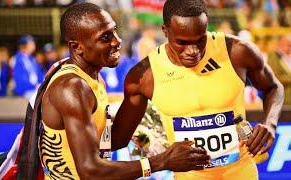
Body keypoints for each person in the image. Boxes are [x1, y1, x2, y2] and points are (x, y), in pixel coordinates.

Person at [112, 0, 284, 179]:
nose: (193, 51)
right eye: (182, 42)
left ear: (206, 26)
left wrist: (270, 124)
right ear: (165, 31)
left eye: (200, 40)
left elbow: (273, 87)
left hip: (241, 172)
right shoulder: (144, 76)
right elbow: (118, 140)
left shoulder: (237, 52)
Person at [38, 2, 210, 180]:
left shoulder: (92, 78)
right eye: (105, 37)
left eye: (114, 31)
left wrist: (149, 130)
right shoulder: (72, 87)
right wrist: (161, 162)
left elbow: (111, 142)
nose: (117, 41)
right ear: (77, 47)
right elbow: (90, 171)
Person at [12, 34, 44, 99]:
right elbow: (20, 82)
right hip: (25, 92)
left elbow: (40, 75)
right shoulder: (17, 59)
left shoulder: (32, 59)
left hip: (35, 89)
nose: (34, 44)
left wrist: (42, 84)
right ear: (25, 45)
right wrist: (35, 86)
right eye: (31, 43)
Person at [267, 34, 291, 105]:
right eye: (289, 45)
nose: (290, 48)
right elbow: (274, 77)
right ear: (281, 44)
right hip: (282, 100)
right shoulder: (273, 57)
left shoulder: (288, 56)